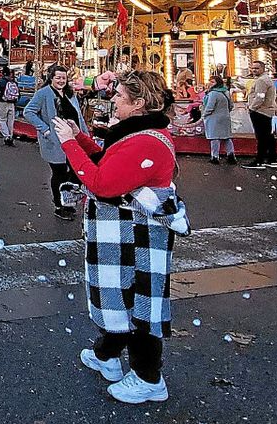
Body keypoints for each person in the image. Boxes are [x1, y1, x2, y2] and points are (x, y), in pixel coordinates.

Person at [51, 70, 188, 405]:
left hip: (138, 238)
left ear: (138, 103)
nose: (113, 99)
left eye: (120, 96)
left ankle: (148, 378)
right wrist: (79, 137)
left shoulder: (146, 142)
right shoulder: (133, 134)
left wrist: (69, 143)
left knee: (139, 306)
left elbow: (103, 182)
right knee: (115, 300)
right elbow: (106, 159)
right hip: (120, 235)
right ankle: (107, 355)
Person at [23, 65, 89, 221]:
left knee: (73, 172)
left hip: (72, 139)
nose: (61, 81)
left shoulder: (70, 94)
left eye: (63, 78)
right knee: (59, 173)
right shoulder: (43, 93)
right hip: (54, 141)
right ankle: (59, 206)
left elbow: (78, 116)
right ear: (51, 78)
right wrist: (45, 130)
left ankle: (68, 202)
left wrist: (84, 135)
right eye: (58, 77)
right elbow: (28, 111)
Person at [243, 60, 277, 170]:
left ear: (263, 69)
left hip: (260, 111)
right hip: (267, 110)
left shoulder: (261, 81)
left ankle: (260, 160)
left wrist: (252, 108)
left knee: (261, 136)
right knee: (268, 136)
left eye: (257, 68)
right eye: (253, 68)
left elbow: (260, 96)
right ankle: (272, 159)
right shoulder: (265, 79)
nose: (254, 70)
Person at [202, 76, 236, 165]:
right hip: (225, 117)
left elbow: (210, 107)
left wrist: (204, 115)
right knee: (227, 137)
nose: (210, 83)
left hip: (214, 118)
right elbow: (231, 105)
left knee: (214, 138)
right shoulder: (226, 92)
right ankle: (231, 155)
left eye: (212, 82)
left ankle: (215, 157)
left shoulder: (213, 93)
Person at [0, 66, 19, 147]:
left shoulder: (1, 81)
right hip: (12, 103)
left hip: (2, 102)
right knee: (10, 121)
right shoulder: (14, 81)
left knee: (1, 119)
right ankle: (11, 136)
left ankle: (7, 136)